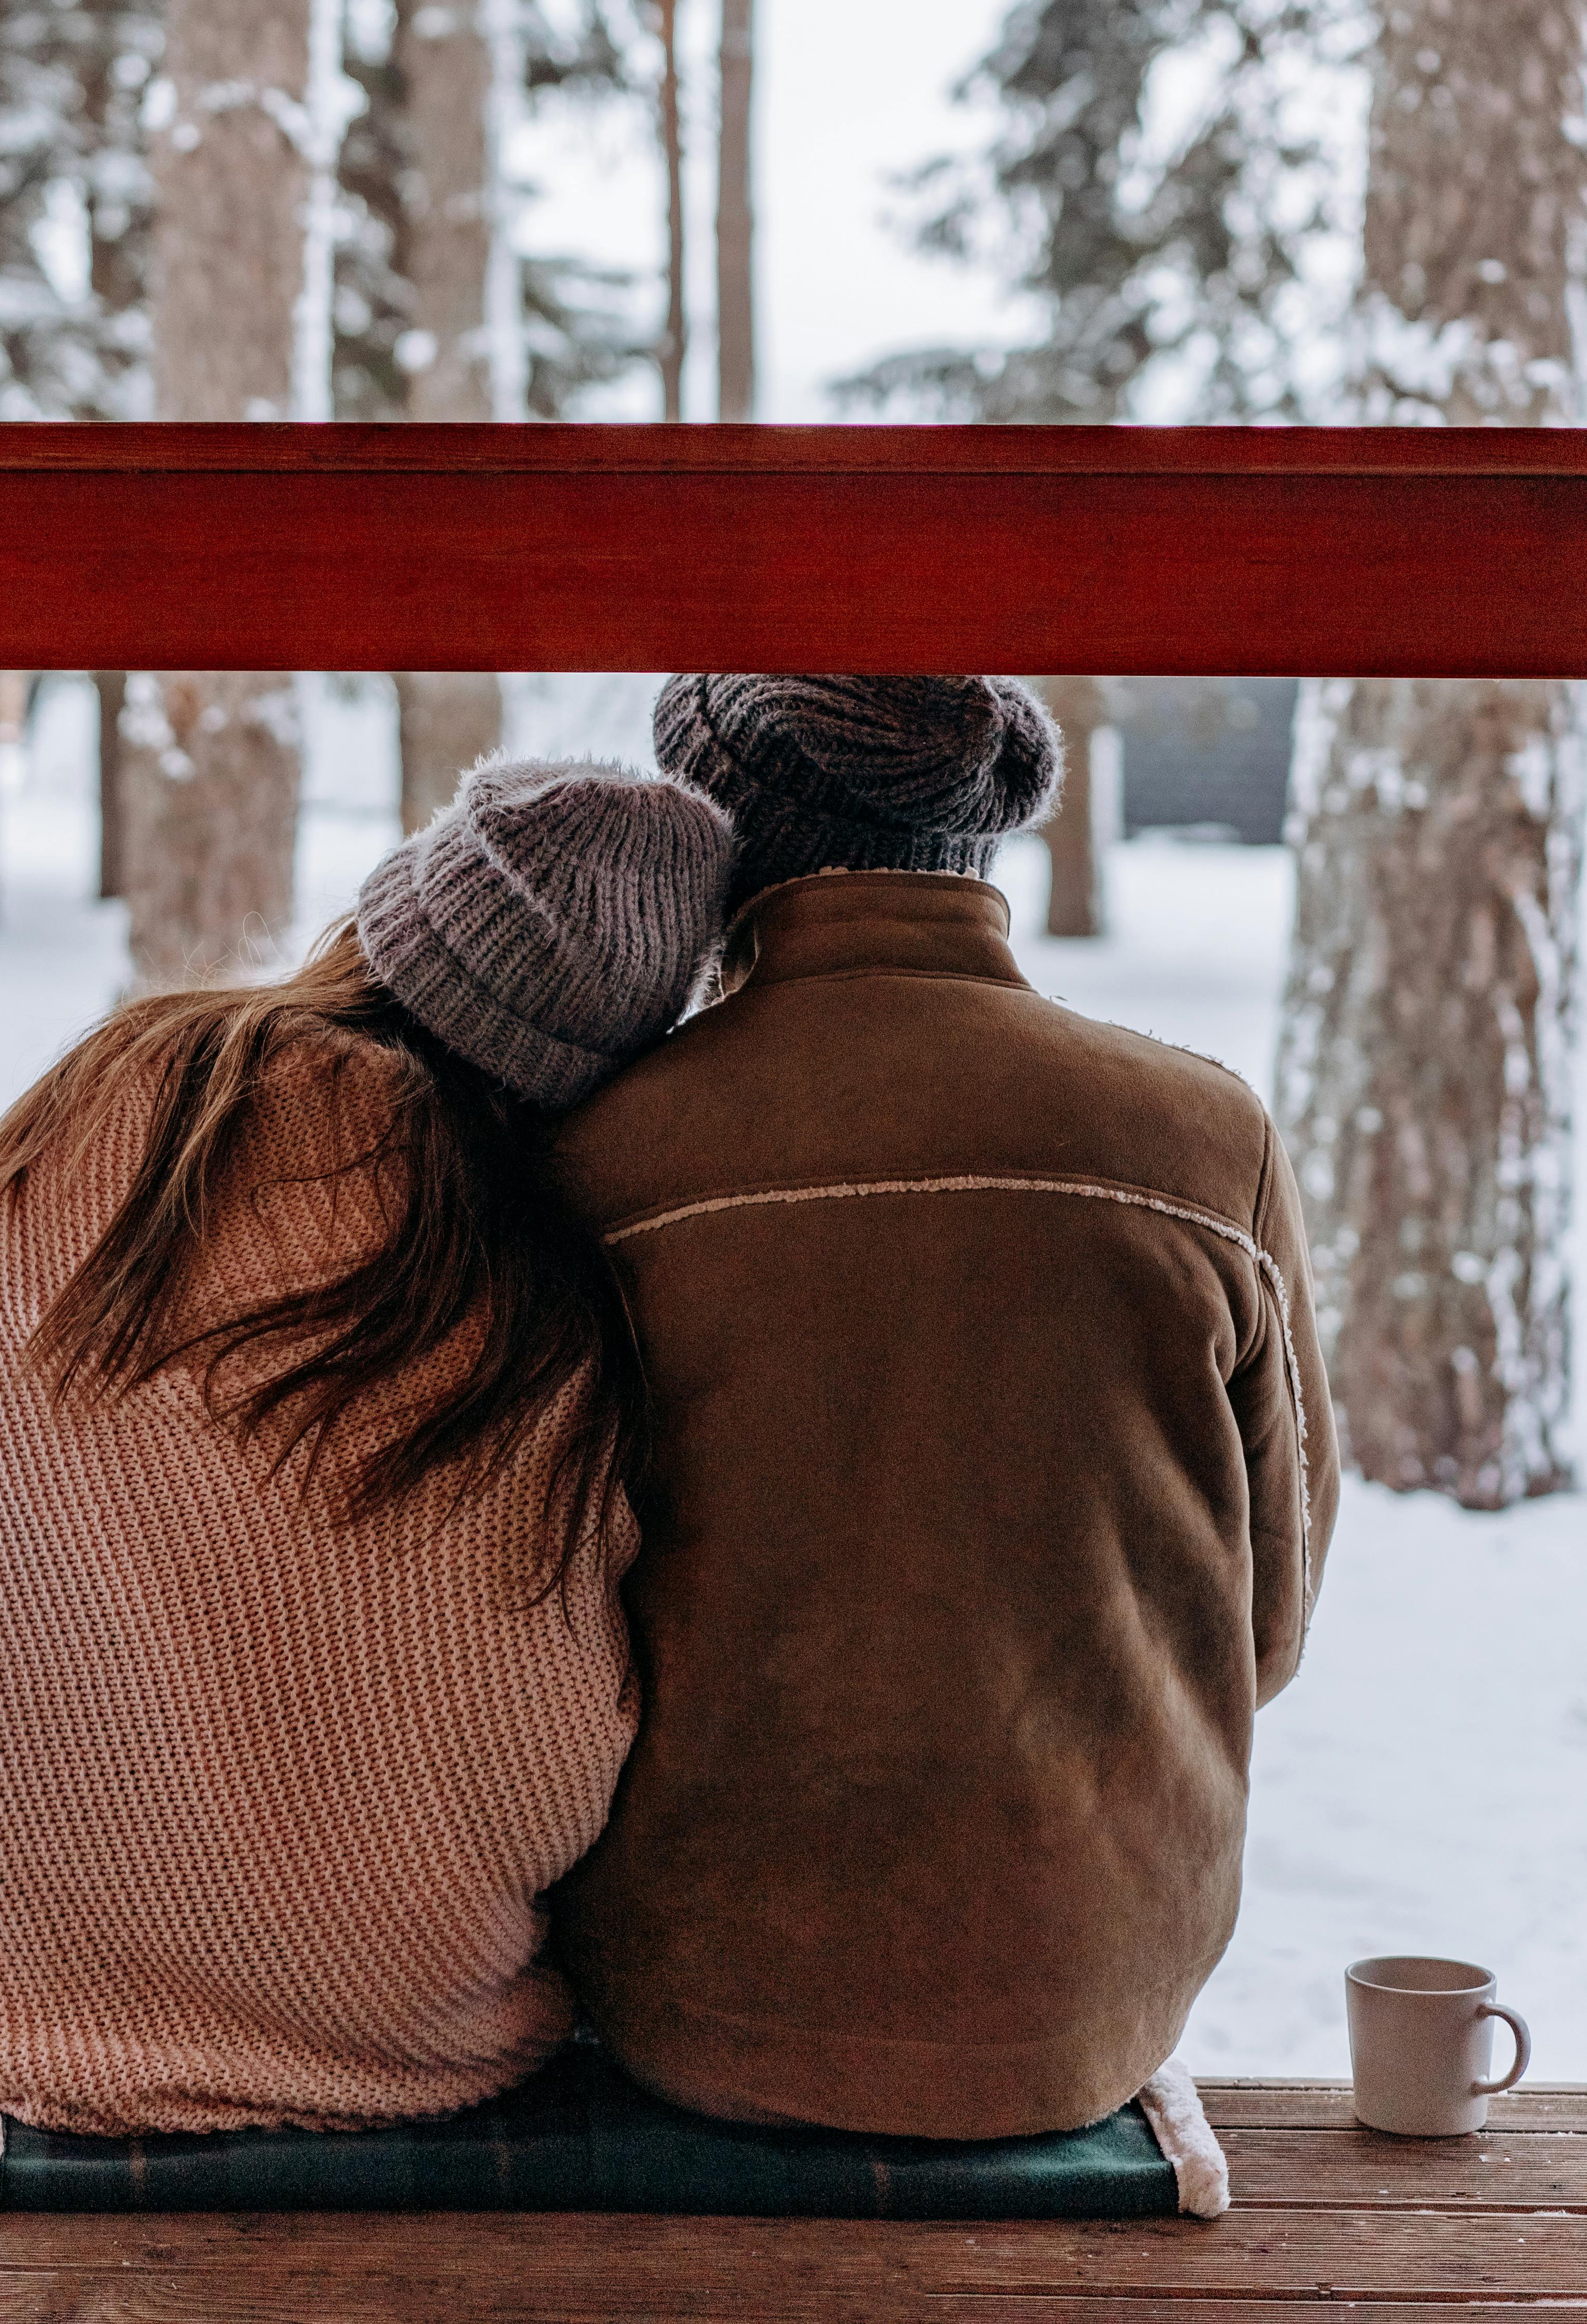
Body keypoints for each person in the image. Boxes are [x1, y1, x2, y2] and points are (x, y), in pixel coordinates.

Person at [0, 756, 732, 2138]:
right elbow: (555, 1741)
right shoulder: (540, 1298)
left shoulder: (121, 1095)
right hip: (399, 2023)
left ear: (386, 922)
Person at [552, 674, 1338, 2143]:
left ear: (720, 841)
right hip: (1088, 2011)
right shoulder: (1202, 1135)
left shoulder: (606, 1153)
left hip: (693, 2004)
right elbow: (1269, 1629)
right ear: (979, 830)